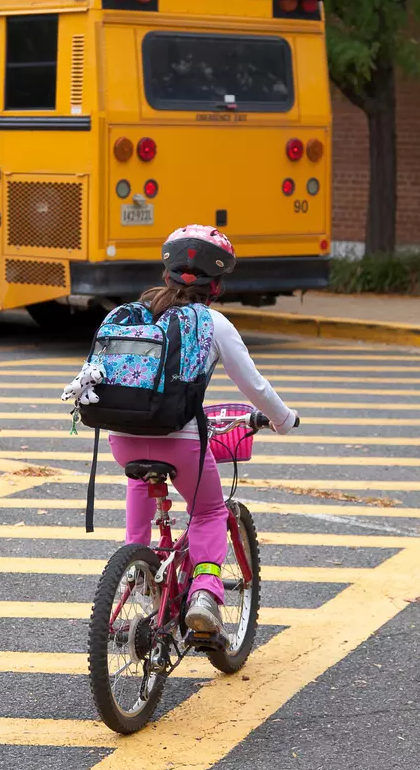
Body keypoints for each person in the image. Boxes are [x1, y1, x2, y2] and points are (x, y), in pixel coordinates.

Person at [63, 224, 297, 636]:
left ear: (165, 273)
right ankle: (205, 591)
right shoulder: (212, 323)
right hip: (182, 442)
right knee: (208, 511)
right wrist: (282, 419)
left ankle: (136, 561)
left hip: (122, 436)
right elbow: (254, 386)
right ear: (217, 286)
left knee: (139, 481)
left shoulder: (132, 314)